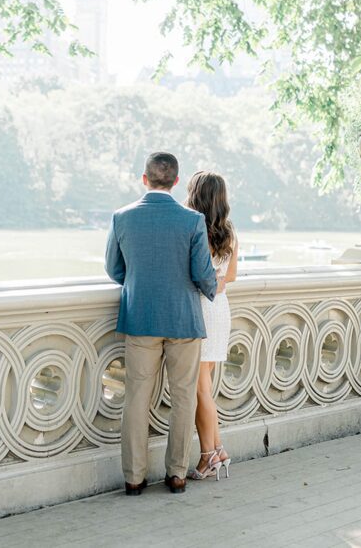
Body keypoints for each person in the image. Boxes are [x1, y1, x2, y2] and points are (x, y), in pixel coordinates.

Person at [105, 152, 217, 496]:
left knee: (136, 398)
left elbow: (114, 269)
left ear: (145, 179)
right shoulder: (192, 220)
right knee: (183, 398)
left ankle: (134, 478)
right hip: (183, 319)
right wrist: (214, 289)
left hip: (140, 318)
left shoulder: (122, 217)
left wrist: (139, 284)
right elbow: (203, 275)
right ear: (176, 181)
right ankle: (177, 474)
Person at [185, 172, 238, 481]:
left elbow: (192, 275)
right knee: (204, 388)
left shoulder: (194, 229)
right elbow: (230, 276)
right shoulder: (229, 231)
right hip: (220, 308)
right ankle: (218, 451)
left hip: (201, 308)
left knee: (200, 390)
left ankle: (209, 456)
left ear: (197, 195)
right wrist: (217, 283)